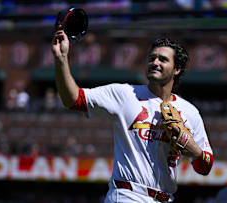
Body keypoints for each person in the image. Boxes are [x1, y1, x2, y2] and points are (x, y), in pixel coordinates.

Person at [52, 28, 213, 202]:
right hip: (128, 194)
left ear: (177, 69)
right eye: (152, 58)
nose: (155, 62)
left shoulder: (189, 112)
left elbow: (205, 167)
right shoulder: (125, 94)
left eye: (163, 59)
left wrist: (190, 146)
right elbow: (74, 100)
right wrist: (61, 59)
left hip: (165, 198)